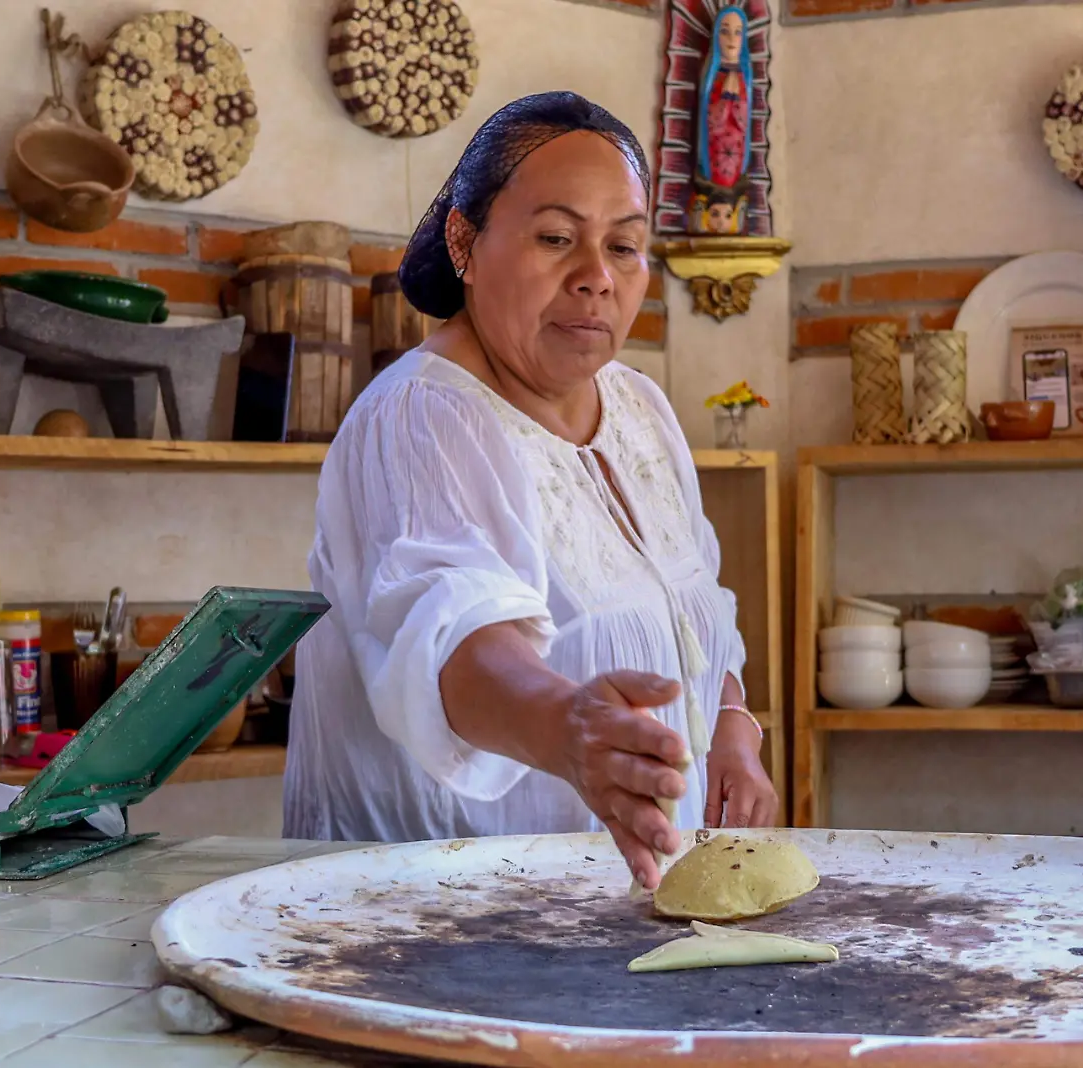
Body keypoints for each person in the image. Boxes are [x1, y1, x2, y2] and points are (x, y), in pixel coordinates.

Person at [283, 92, 777, 890]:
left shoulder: (641, 409)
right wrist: (565, 726)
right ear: (465, 243)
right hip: (435, 916)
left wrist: (732, 731)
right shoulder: (419, 418)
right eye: (556, 239)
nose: (597, 279)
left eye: (625, 247)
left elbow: (697, 610)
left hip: (613, 911)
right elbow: (454, 638)